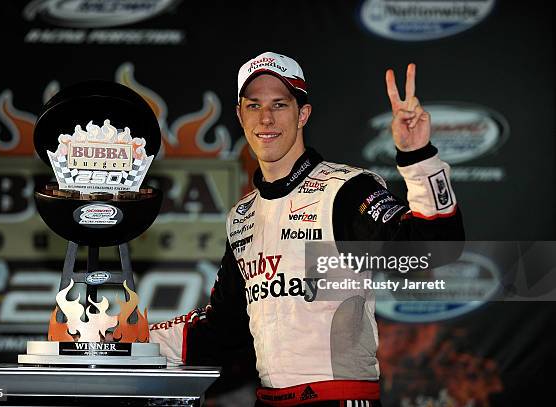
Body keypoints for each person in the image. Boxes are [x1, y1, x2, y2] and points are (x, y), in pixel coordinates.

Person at [149, 51, 464, 406]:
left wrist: (418, 155)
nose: (265, 118)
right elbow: (224, 326)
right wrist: (134, 341)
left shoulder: (346, 189)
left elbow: (437, 247)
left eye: (280, 105)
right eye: (253, 106)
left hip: (340, 399)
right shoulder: (242, 215)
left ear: (303, 114)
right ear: (240, 116)